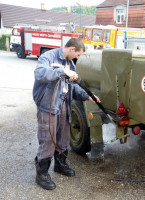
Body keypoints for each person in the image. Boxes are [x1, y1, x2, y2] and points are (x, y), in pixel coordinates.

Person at [32, 38, 100, 190]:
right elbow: (40, 74)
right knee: (47, 139)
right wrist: (61, 71)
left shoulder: (71, 64)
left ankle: (60, 165)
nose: (77, 58)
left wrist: (88, 96)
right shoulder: (48, 57)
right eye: (77, 54)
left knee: (63, 137)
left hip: (64, 104)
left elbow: (73, 88)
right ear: (72, 49)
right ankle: (41, 173)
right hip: (47, 105)